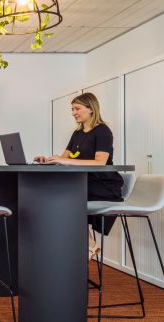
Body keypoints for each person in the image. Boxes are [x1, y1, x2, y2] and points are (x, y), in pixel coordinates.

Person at [33, 92, 124, 260]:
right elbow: (64, 158)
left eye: (77, 108)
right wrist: (48, 159)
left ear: (91, 109)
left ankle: (86, 245)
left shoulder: (102, 131)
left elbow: (100, 162)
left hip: (104, 185)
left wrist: (64, 161)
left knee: (64, 200)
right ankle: (85, 245)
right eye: (72, 109)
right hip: (84, 183)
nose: (74, 113)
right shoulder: (77, 133)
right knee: (56, 198)